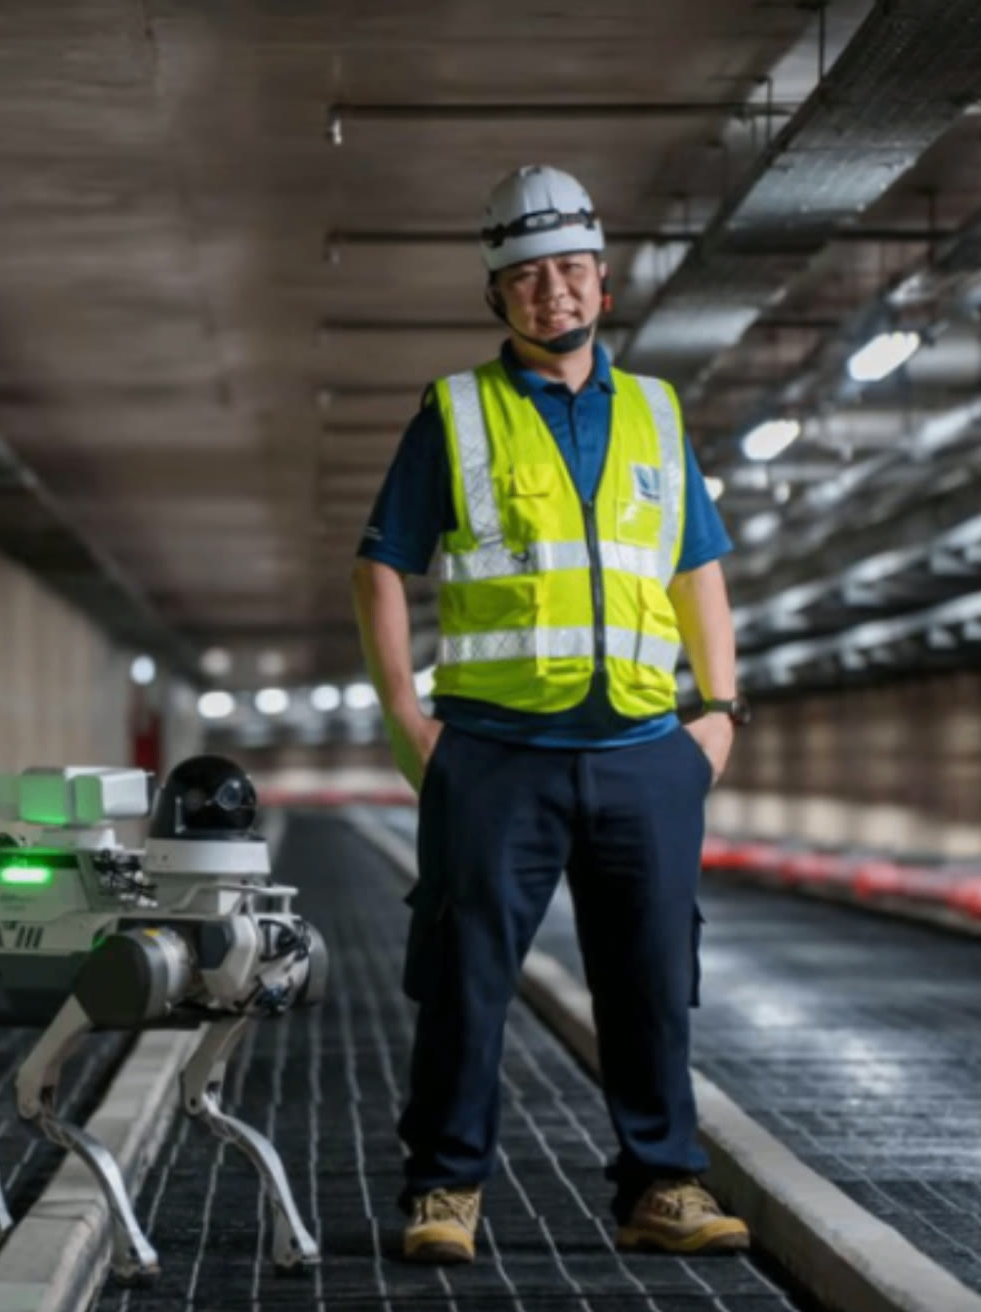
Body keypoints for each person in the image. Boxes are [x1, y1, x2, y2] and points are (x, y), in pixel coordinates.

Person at [350, 164, 752, 1263]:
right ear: (498, 296)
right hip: (493, 755)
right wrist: (404, 717)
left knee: (654, 979)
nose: (552, 292)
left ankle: (661, 1185)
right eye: (527, 277)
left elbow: (696, 567)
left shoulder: (659, 416)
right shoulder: (457, 412)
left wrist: (717, 715)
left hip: (641, 752)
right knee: (466, 975)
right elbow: (384, 563)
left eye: (570, 270)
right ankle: (445, 1190)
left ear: (603, 286)